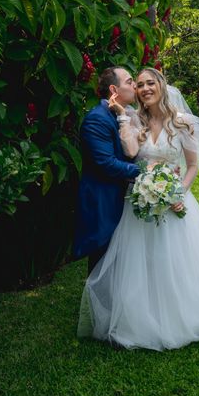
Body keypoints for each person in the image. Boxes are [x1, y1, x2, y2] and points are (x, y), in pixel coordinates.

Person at [77, 68, 199, 351]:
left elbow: (193, 166)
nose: (144, 88)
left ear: (161, 86)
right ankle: (141, 319)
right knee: (139, 264)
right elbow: (130, 153)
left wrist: (178, 191)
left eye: (149, 83)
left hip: (174, 199)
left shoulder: (182, 122)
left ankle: (182, 318)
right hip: (140, 201)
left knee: (174, 261)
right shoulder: (132, 118)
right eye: (138, 84)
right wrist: (122, 117)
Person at [72, 67, 140, 274]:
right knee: (103, 264)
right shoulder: (97, 118)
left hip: (119, 199)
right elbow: (106, 163)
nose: (135, 86)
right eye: (129, 82)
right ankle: (99, 307)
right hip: (103, 201)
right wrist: (143, 172)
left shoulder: (123, 114)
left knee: (118, 265)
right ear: (114, 89)